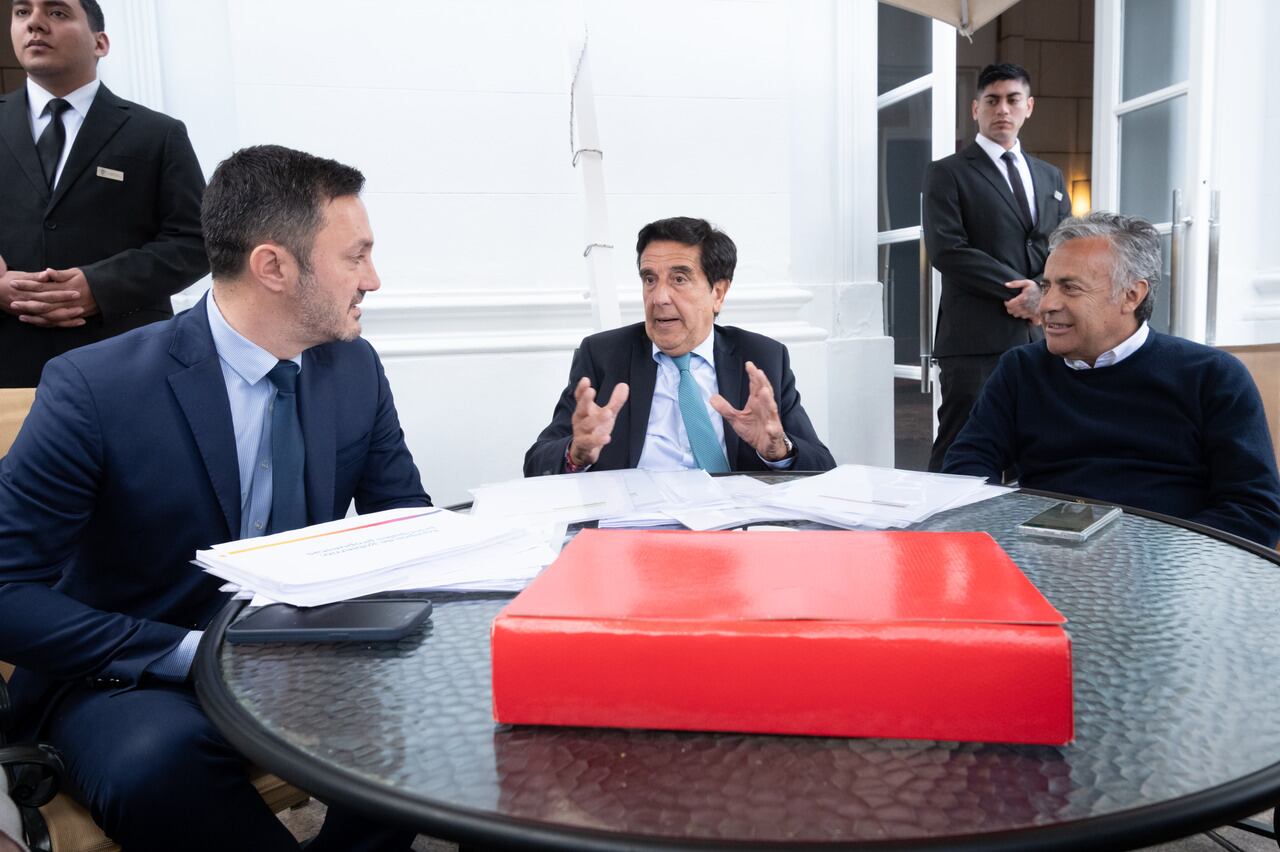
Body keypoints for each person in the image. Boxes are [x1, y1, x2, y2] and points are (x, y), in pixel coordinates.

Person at [0, 145, 429, 850]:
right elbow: (7, 588)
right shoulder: (94, 389)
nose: (373, 280)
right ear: (274, 267)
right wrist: (190, 653)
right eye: (356, 256)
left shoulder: (353, 367)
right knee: (155, 764)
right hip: (135, 675)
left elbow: (405, 525)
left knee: (439, 711)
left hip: (305, 655)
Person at [943, 212, 1280, 548]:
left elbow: (1254, 509)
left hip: (1169, 573)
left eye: (1070, 288)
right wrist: (1007, 538)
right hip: (1039, 555)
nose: (1047, 304)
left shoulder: (1212, 376)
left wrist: (1158, 562)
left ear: (1132, 295)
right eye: (1046, 286)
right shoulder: (1020, 368)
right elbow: (967, 468)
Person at [0, 0, 208, 387]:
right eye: (22, 12)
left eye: (57, 12)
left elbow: (197, 241)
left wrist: (100, 287)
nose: (35, 24)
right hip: (8, 367)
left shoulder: (158, 134)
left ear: (101, 43)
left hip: (124, 364)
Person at [525, 216, 835, 475]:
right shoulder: (604, 356)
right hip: (633, 532)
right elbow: (537, 462)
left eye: (679, 279)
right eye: (649, 279)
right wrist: (575, 453)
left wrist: (777, 449)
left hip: (732, 534)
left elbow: (821, 467)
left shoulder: (761, 358)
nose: (659, 298)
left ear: (718, 293)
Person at [923, 62, 1072, 471]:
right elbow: (947, 249)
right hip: (974, 339)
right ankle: (936, 532)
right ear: (975, 109)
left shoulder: (1051, 176)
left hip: (1042, 337)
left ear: (1029, 106)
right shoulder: (947, 173)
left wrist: (1044, 292)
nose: (1002, 109)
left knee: (1038, 442)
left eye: (1012, 99)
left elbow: (1063, 247)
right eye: (992, 100)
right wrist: (1022, 293)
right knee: (962, 443)